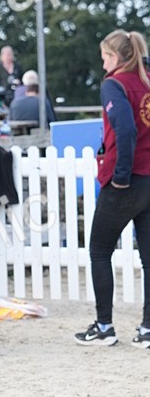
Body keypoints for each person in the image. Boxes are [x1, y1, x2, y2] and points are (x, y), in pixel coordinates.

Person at [75, 29, 150, 348]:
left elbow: (125, 129)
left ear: (118, 57)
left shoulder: (114, 84)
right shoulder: (145, 81)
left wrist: (120, 174)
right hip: (149, 177)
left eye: (106, 55)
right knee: (148, 257)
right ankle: (147, 328)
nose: (103, 62)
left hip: (126, 178)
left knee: (99, 250)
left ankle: (105, 325)